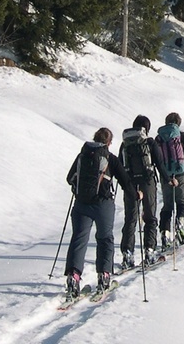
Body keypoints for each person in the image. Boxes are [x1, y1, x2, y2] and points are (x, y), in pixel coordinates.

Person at [64, 127, 135, 299]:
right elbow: (125, 182)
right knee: (105, 239)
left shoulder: (82, 155)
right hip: (103, 205)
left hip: (81, 204)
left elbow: (69, 178)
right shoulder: (110, 158)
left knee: (79, 239)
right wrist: (136, 195)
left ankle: (73, 277)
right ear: (109, 142)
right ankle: (104, 276)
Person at [117, 115, 169, 269]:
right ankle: (149, 250)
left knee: (130, 218)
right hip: (148, 182)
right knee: (150, 217)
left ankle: (127, 253)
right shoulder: (149, 142)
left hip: (130, 184)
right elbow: (159, 163)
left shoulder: (124, 144)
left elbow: (120, 166)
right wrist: (168, 179)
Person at [156, 112, 184, 248]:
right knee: (181, 202)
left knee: (167, 206)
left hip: (165, 176)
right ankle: (180, 223)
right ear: (178, 123)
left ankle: (165, 233)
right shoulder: (182, 136)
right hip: (180, 174)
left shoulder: (158, 138)